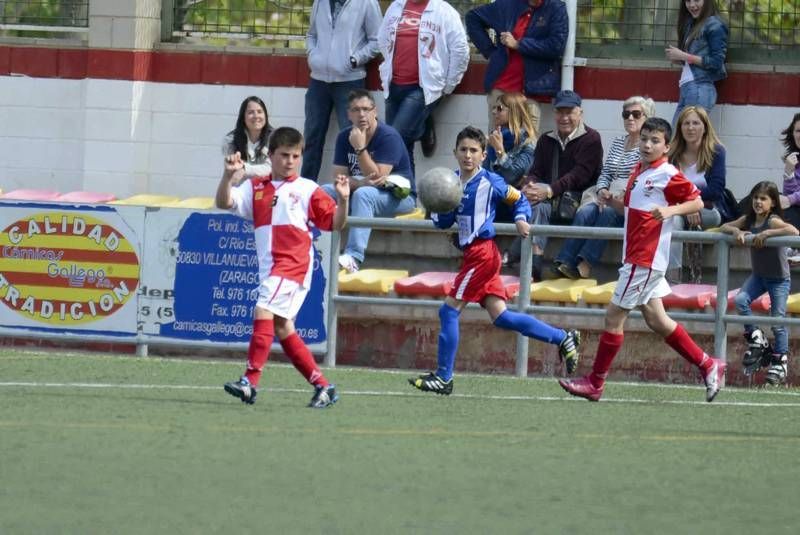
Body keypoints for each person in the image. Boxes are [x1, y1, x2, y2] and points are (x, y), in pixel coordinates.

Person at [559, 117, 726, 403]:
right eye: (645, 139)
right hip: (637, 257)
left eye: (655, 141)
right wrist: (611, 200)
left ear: (667, 146)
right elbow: (633, 210)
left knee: (613, 316)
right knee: (657, 319)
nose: (647, 145)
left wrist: (672, 211)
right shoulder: (640, 169)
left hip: (645, 260)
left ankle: (595, 383)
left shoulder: (667, 173)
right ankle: (709, 364)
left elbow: (697, 202)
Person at [408, 126, 581, 395]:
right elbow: (443, 223)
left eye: (474, 151)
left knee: (448, 310)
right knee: (500, 317)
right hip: (472, 254)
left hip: (483, 254)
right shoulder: (449, 182)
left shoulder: (491, 181)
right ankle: (562, 337)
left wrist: (521, 219)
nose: (468, 155)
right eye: (463, 150)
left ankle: (444, 377)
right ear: (455, 153)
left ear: (483, 154)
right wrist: (437, 207)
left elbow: (519, 199)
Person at [216, 127, 350, 409]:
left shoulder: (308, 189)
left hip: (292, 267)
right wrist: (228, 177)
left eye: (296, 156)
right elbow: (224, 202)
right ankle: (323, 387)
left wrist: (344, 200)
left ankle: (250, 382)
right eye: (285, 155)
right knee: (283, 327)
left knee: (263, 310)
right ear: (271, 155)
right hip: (271, 270)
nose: (290, 161)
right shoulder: (256, 187)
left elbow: (335, 224)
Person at [552, 96, 655, 280]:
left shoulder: (648, 147)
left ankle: (585, 264)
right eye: (626, 114)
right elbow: (606, 172)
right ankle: (564, 261)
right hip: (607, 194)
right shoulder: (617, 143)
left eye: (636, 114)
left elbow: (642, 177)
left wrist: (614, 198)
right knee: (585, 212)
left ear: (647, 117)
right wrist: (601, 191)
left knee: (608, 213)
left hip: (628, 200)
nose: (630, 118)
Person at [324, 89, 416, 273]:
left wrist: (360, 148)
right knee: (324, 191)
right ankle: (320, 248)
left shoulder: (388, 136)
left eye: (366, 109)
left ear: (375, 111)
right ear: (348, 114)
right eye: (356, 110)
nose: (362, 114)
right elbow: (339, 178)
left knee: (364, 195)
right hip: (363, 190)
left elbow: (377, 178)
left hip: (399, 197)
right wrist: (357, 183)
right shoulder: (344, 137)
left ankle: (353, 257)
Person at [514, 90, 603, 279]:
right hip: (552, 198)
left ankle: (515, 253)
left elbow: (580, 176)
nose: (564, 117)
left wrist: (549, 189)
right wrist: (530, 186)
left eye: (569, 112)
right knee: (535, 204)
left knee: (580, 210)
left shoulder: (592, 138)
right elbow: (536, 170)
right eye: (560, 112)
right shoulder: (546, 139)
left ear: (580, 113)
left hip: (582, 196)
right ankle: (534, 266)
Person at [719, 181, 797, 386]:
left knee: (777, 320)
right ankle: (756, 337)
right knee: (741, 299)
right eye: (755, 198)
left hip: (779, 279)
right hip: (759, 276)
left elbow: (793, 231)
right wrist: (737, 232)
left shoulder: (772, 221)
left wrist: (768, 233)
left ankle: (780, 360)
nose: (758, 202)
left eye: (763, 199)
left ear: (772, 203)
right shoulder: (749, 219)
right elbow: (725, 226)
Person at [377, 0, 469, 173]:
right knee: (404, 143)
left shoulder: (444, 11)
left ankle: (421, 126)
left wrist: (449, 85)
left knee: (393, 140)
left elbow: (460, 50)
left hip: (422, 88)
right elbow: (382, 39)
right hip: (393, 85)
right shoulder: (396, 6)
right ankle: (408, 193)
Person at [301, 0, 382, 182]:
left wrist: (354, 60)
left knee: (353, 137)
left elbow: (377, 40)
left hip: (350, 81)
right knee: (312, 137)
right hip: (318, 80)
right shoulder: (320, 2)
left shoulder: (367, 3)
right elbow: (311, 34)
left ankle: (355, 187)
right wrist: (313, 56)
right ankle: (305, 188)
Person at [465, 0, 568, 134]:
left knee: (527, 147)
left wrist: (519, 44)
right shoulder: (507, 4)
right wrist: (491, 52)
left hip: (531, 92)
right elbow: (472, 18)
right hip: (501, 88)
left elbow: (556, 46)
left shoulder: (556, 8)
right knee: (497, 143)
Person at [667, 105, 727, 282]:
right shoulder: (672, 154)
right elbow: (666, 188)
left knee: (678, 217)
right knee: (674, 221)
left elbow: (716, 189)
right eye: (686, 123)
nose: (690, 128)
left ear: (704, 127)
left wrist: (690, 201)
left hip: (709, 210)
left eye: (695, 123)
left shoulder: (716, 151)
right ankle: (673, 279)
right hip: (680, 211)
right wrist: (688, 206)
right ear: (680, 128)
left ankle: (695, 278)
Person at [666, 0, 728, 124]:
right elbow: (694, 60)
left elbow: (716, 62)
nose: (692, 5)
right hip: (688, 88)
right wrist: (679, 59)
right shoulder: (691, 24)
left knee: (685, 138)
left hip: (699, 87)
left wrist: (684, 56)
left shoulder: (714, 25)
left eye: (697, 0)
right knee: (676, 138)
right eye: (688, 1)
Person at [484, 92, 537, 188]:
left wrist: (500, 152)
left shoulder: (528, 141)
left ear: (514, 111)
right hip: (490, 195)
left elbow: (511, 177)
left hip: (516, 198)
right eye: (494, 108)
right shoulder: (496, 137)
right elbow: (485, 173)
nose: (494, 112)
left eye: (499, 108)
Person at [222, 96, 273, 178]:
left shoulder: (275, 138)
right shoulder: (231, 140)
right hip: (240, 188)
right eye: (250, 112)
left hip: (268, 188)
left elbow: (271, 169)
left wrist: (244, 167)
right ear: (243, 117)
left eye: (260, 112)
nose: (256, 116)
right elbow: (234, 172)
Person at [779, 112, 800, 230]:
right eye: (798, 131)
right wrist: (789, 173)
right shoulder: (793, 159)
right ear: (792, 134)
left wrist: (790, 199)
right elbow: (790, 196)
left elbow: (789, 199)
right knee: (760, 194)